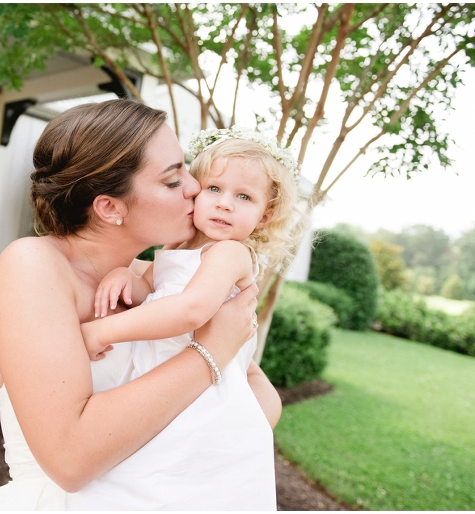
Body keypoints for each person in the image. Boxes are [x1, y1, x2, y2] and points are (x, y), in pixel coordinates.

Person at [0, 100, 280, 511]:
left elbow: (253, 387)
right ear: (110, 207)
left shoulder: (160, 279)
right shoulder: (34, 267)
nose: (194, 188)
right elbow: (70, 460)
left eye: (186, 168)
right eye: (172, 180)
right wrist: (209, 354)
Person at [68, 127, 306, 510]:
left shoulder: (230, 254)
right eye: (214, 189)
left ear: (266, 215)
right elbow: (155, 291)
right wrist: (125, 276)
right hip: (164, 377)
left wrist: (102, 330)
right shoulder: (178, 247)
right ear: (195, 189)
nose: (225, 204)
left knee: (168, 486)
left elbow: (189, 309)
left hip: (198, 392)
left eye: (243, 197)